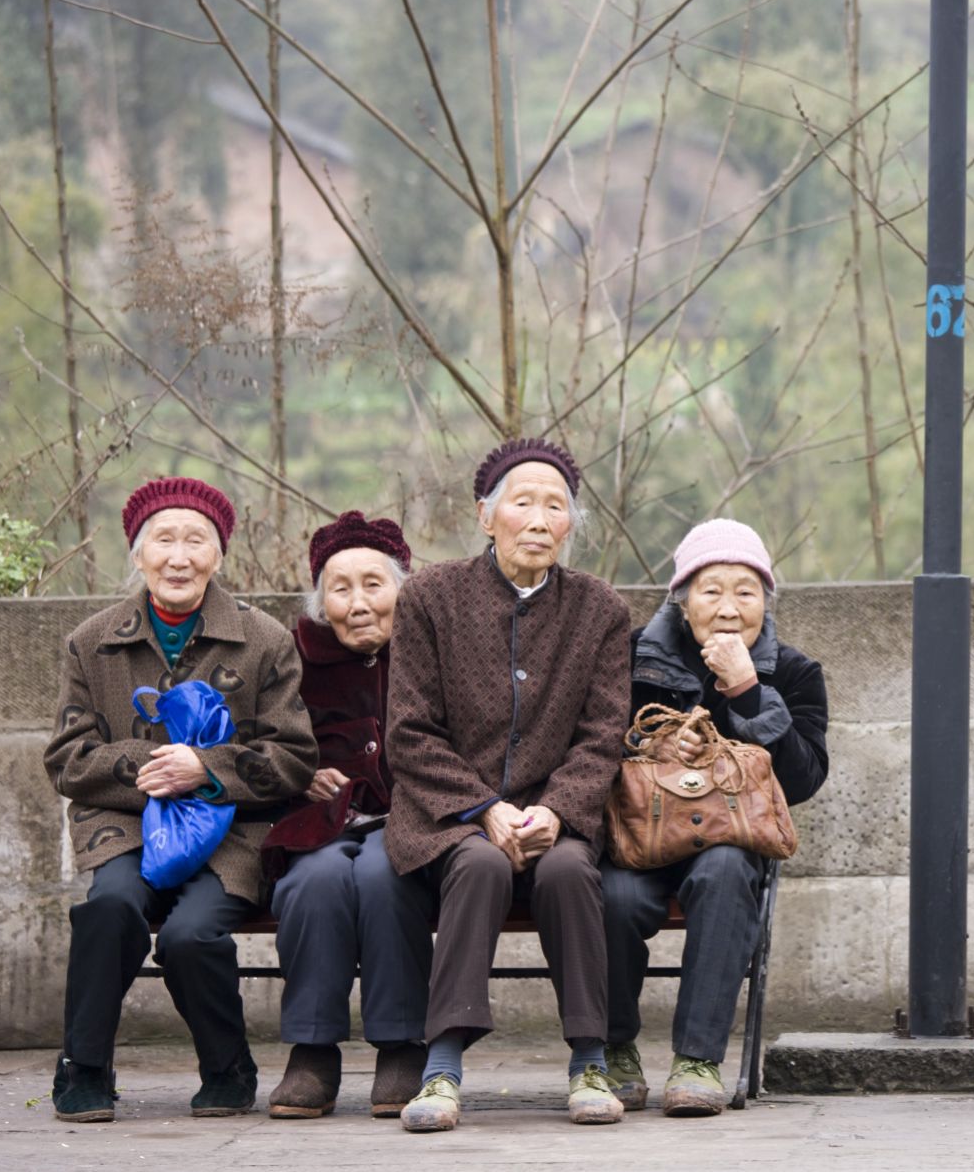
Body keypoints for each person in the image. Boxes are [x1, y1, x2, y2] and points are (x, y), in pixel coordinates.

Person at [45, 477, 318, 1123]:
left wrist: (206, 767)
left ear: (218, 554)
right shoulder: (92, 641)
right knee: (110, 906)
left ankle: (227, 1066)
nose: (179, 556)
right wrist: (150, 766)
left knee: (193, 934)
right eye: (162, 539)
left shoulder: (264, 640)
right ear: (137, 554)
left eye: (196, 539)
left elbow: (295, 756)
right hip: (128, 826)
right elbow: (67, 756)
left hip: (230, 834)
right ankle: (84, 1065)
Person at [383, 439, 632, 1132]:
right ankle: (441, 1065)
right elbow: (410, 730)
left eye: (555, 506)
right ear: (485, 515)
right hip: (449, 817)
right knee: (481, 861)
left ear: (570, 525)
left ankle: (589, 1057)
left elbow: (603, 732)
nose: (538, 518)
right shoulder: (432, 596)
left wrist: (556, 809)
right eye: (521, 501)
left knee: (571, 869)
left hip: (559, 816)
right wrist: (484, 807)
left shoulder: (601, 609)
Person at [602, 519, 829, 1116]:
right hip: (639, 841)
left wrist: (750, 693)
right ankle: (614, 1048)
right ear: (681, 600)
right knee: (615, 896)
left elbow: (802, 781)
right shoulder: (630, 659)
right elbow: (591, 750)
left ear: (766, 601)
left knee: (728, 873)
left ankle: (697, 1060)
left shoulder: (795, 673)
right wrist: (654, 751)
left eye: (746, 592)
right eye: (711, 590)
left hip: (727, 846)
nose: (729, 608)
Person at [259, 512, 434, 1119]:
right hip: (319, 821)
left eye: (374, 584)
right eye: (341, 588)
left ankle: (400, 1045)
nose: (358, 603)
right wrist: (299, 774)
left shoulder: (433, 648)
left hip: (414, 819)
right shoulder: (290, 658)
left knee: (386, 876)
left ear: (402, 590)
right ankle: (312, 1050)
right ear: (320, 602)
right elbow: (261, 741)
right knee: (315, 881)